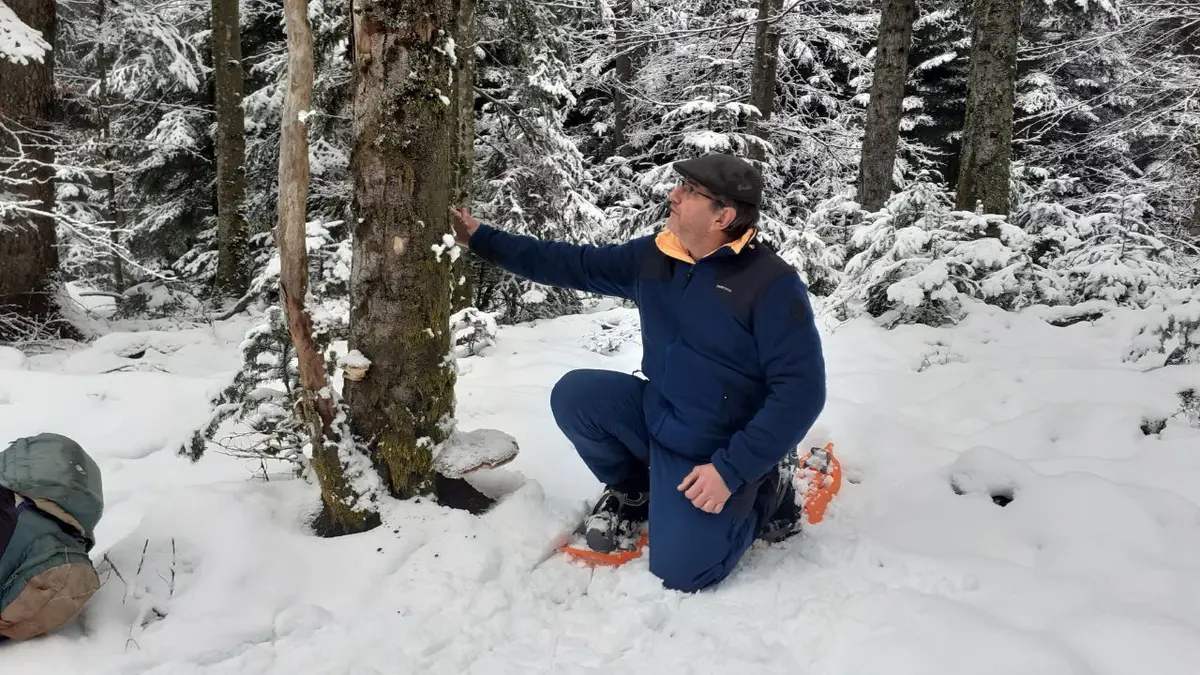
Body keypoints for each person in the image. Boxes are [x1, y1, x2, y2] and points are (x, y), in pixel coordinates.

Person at [450, 153, 826, 592]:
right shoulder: (658, 256)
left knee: (685, 572)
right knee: (577, 395)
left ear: (722, 216)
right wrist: (481, 238)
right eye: (680, 184)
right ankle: (635, 488)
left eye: (689, 191)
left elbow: (801, 392)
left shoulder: (770, 285)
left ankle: (768, 490)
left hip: (718, 446)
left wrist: (732, 470)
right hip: (660, 412)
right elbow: (574, 263)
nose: (674, 195)